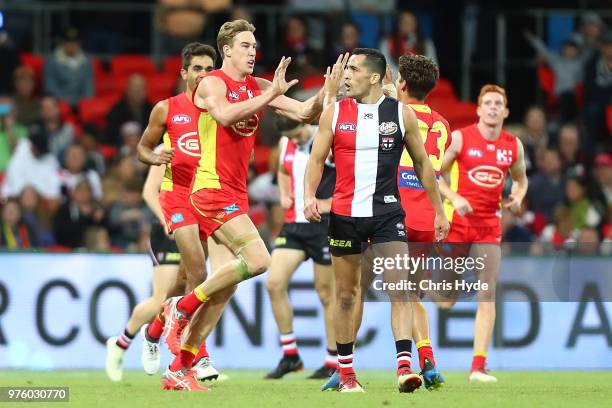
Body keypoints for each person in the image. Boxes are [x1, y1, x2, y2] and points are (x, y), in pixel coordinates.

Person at [161, 19, 343, 391]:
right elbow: (226, 115)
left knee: (226, 286)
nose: (252, 51)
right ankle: (179, 307)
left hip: (235, 194)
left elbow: (306, 114)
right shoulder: (211, 83)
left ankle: (180, 367)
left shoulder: (258, 85)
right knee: (260, 261)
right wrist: (268, 95)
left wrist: (328, 91)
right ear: (226, 50)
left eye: (254, 45)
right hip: (208, 189)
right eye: (245, 45)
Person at [304, 48, 449, 393]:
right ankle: (346, 374)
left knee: (400, 291)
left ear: (374, 77)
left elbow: (423, 165)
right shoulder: (334, 113)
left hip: (387, 215)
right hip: (344, 215)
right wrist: (309, 196)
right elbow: (316, 159)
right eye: (347, 69)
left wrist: (439, 210)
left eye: (354, 69)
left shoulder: (401, 115)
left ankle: (404, 368)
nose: (347, 75)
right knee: (347, 295)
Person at [134, 42, 222, 388]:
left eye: (208, 69)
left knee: (187, 278)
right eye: (196, 69)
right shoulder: (166, 109)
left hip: (209, 197)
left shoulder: (220, 109)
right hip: (177, 197)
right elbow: (143, 147)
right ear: (184, 73)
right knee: (202, 271)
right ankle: (193, 353)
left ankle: (154, 330)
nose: (202, 75)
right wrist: (153, 157)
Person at [437, 84, 528, 382]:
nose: (492, 107)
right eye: (487, 103)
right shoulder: (462, 139)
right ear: (478, 109)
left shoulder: (513, 145)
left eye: (497, 103)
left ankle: (478, 366)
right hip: (458, 226)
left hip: (489, 227)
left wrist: (517, 194)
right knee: (447, 300)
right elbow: (434, 177)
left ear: (505, 111)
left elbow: (520, 179)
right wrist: (454, 197)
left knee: (487, 292)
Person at [265, 116, 337, 380]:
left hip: (323, 225)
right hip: (294, 225)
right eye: (291, 137)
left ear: (306, 123)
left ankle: (333, 360)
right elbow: (283, 171)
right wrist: (284, 193)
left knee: (327, 294)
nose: (296, 140)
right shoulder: (286, 142)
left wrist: (330, 202)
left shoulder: (325, 136)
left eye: (298, 134)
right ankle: (290, 355)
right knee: (274, 283)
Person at [44, 28, 94, 107]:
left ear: (79, 44)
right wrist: (67, 102)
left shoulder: (86, 60)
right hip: (60, 103)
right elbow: (51, 88)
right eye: (69, 42)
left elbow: (88, 86)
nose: (72, 45)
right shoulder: (52, 61)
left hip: (81, 103)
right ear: (62, 43)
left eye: (75, 42)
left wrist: (85, 102)